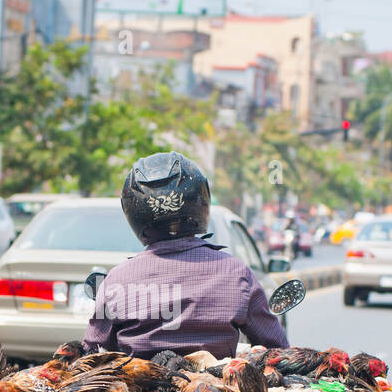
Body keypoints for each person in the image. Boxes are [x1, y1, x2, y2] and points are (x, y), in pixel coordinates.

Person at [82, 151, 289, 359]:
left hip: (138, 388)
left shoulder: (117, 279)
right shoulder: (236, 273)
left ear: (133, 212)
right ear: (201, 200)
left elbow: (91, 350)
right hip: (218, 388)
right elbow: (277, 348)